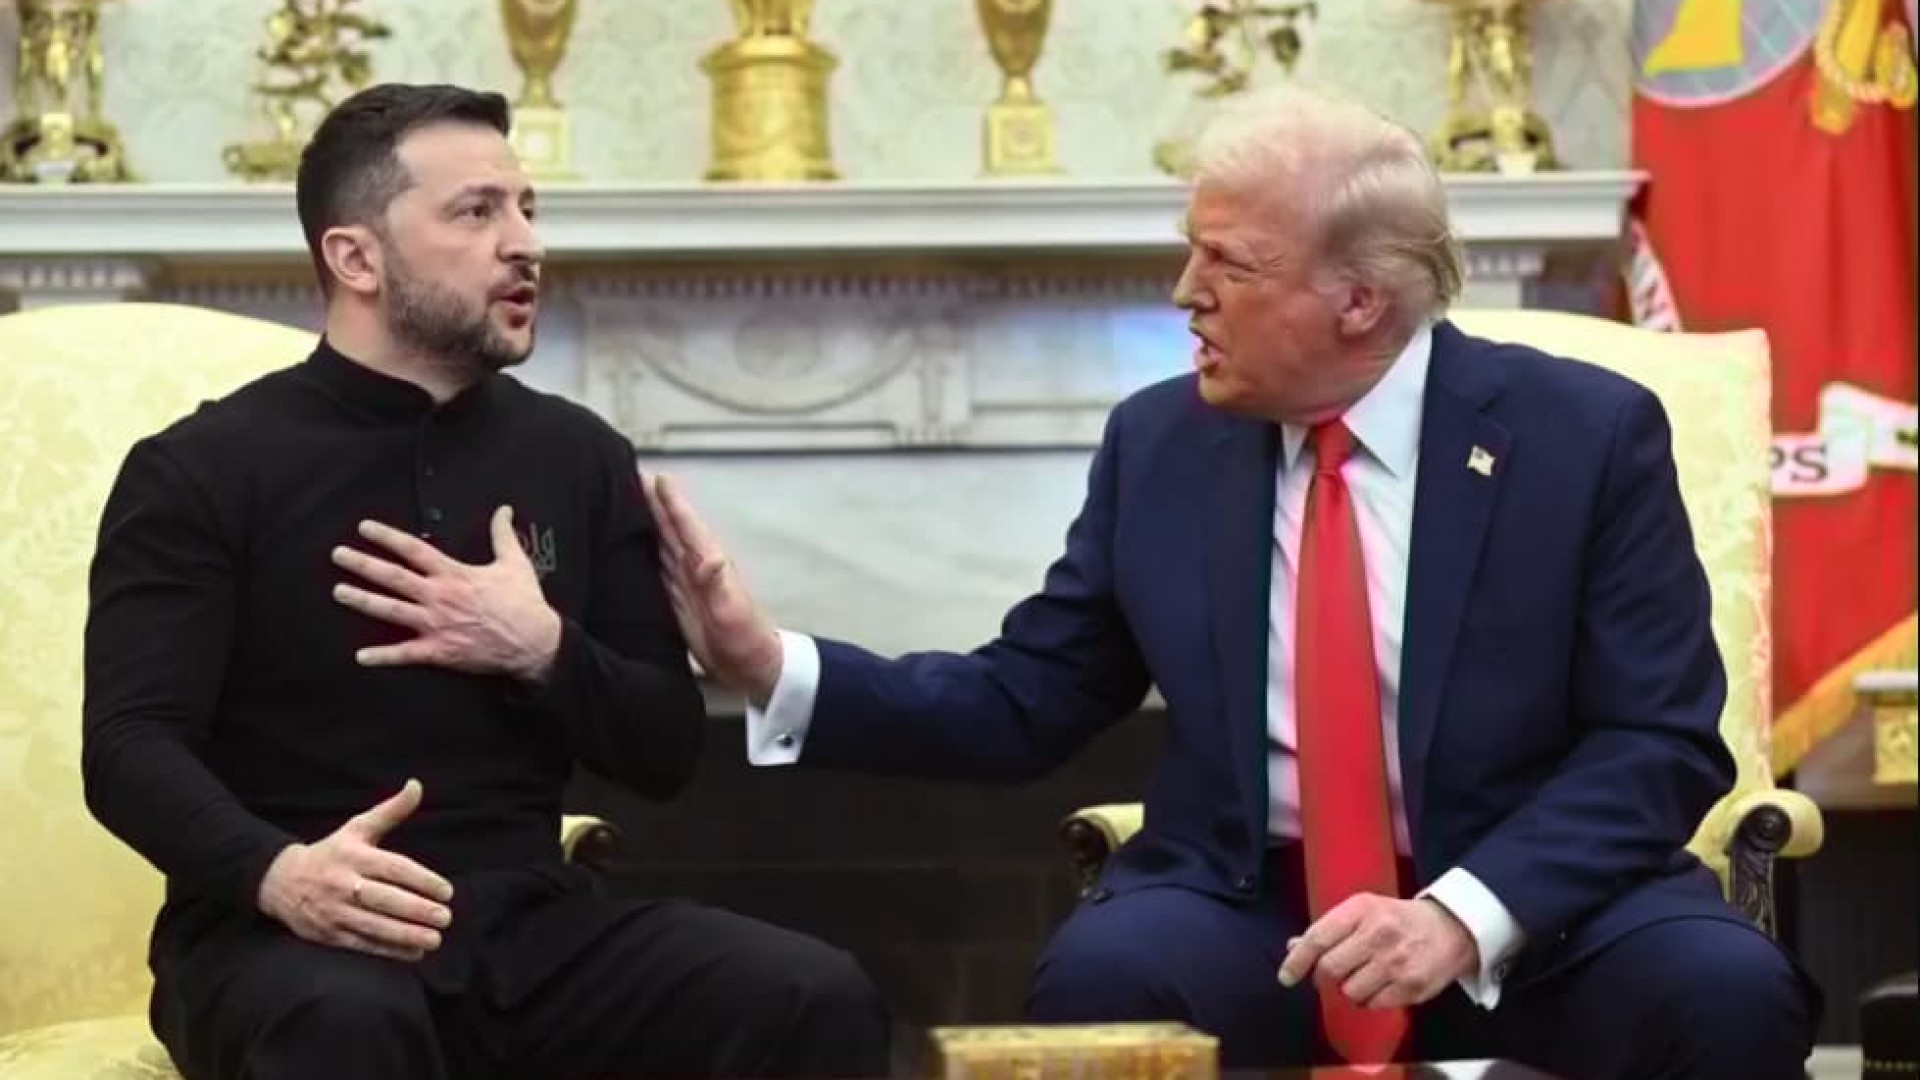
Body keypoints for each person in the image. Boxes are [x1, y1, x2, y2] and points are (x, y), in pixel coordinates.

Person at [637, 86, 1823, 1077]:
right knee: (1102, 982)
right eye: (1190, 249)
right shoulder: (1163, 444)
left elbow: (1658, 742)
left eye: (1229, 263)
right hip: (1261, 908)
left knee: (1724, 993)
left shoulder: (1584, 435)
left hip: (1542, 907)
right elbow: (1025, 696)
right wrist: (769, 665)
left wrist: (1460, 916)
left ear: (1360, 300)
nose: (1184, 292)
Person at [81, 82, 889, 1080]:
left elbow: (664, 751)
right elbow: (128, 747)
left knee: (811, 994)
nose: (526, 245)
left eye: (527, 209)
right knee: (347, 1023)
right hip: (281, 935)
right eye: (476, 212)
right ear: (356, 258)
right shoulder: (199, 469)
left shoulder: (579, 456)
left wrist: (543, 650)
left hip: (526, 929)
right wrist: (278, 873)